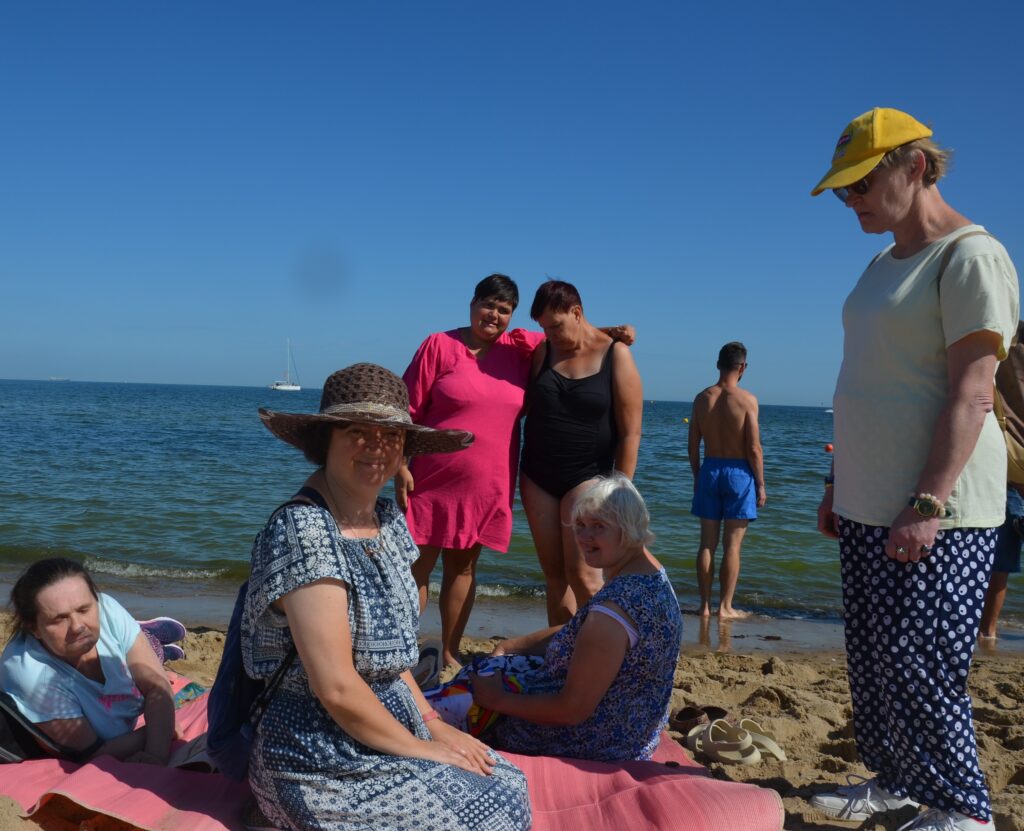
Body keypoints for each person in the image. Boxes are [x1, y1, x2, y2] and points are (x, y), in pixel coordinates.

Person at [811, 107, 1019, 831]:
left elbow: (973, 388)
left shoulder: (970, 255)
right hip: (869, 493)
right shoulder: (882, 261)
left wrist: (927, 501)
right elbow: (868, 376)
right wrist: (840, 480)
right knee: (873, 659)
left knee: (920, 659)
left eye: (862, 184)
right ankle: (900, 781)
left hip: (940, 503)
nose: (853, 201)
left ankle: (966, 808)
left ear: (916, 167)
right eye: (844, 191)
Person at [247, 363, 530, 831]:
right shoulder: (303, 530)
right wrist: (426, 750)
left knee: (509, 785)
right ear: (326, 441)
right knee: (486, 816)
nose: (377, 446)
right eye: (358, 431)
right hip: (314, 751)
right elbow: (335, 686)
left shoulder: (387, 517)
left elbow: (393, 653)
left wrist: (433, 723)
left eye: (391, 434)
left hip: (387, 726)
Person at [397, 274, 635, 669]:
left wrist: (612, 332)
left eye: (503, 309)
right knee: (414, 570)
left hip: (487, 482)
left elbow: (568, 333)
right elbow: (406, 408)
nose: (493, 315)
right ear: (472, 304)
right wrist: (400, 465)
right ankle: (399, 652)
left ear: (511, 317)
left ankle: (450, 654)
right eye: (487, 305)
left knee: (463, 569)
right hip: (429, 479)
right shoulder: (439, 344)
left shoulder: (520, 346)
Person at [466, 475, 683, 761]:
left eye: (598, 527)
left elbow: (572, 710)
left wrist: (497, 700)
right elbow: (583, 634)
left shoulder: (612, 613)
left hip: (597, 742)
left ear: (629, 529)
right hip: (633, 724)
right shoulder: (653, 576)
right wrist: (512, 645)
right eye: (580, 525)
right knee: (498, 667)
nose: (583, 537)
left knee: (460, 703)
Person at [520, 280, 644, 624]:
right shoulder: (544, 351)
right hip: (537, 475)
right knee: (555, 576)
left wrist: (622, 487)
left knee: (585, 575)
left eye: (555, 326)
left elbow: (631, 431)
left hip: (588, 475)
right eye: (543, 327)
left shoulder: (615, 353)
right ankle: (564, 654)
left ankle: (611, 650)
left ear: (577, 313)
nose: (550, 334)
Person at [0, 558, 176, 764]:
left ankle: (151, 639)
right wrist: (159, 729)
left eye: (84, 610)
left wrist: (156, 754)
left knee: (142, 653)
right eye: (59, 619)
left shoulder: (107, 609)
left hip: (117, 639)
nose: (77, 626)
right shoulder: (31, 674)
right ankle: (151, 641)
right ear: (34, 628)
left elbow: (158, 687)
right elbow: (92, 754)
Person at [688, 341, 766, 619]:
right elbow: (754, 448)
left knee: (706, 544)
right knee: (732, 546)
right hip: (738, 473)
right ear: (743, 367)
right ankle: (726, 607)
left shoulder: (701, 399)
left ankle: (705, 606)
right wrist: (760, 484)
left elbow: (692, 445)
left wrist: (698, 476)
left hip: (710, 469)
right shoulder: (747, 400)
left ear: (718, 364)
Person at [979, 484, 1023, 639]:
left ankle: (986, 630)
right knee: (999, 569)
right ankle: (986, 630)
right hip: (1003, 492)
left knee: (998, 569)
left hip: (1006, 493)